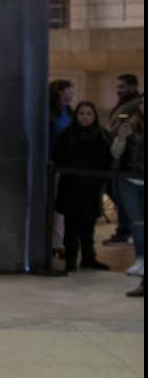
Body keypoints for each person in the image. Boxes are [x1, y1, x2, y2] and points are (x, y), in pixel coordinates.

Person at [53, 101, 113, 272]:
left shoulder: (102, 135)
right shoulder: (66, 135)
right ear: (76, 116)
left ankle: (89, 258)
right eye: (81, 113)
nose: (85, 117)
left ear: (94, 116)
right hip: (71, 187)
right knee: (71, 227)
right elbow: (58, 156)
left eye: (89, 114)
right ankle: (71, 260)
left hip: (92, 188)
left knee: (88, 226)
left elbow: (108, 159)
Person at [105, 74, 143, 246]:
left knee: (122, 196)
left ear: (134, 87)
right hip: (121, 155)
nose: (119, 90)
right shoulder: (125, 105)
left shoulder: (132, 106)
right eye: (117, 87)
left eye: (122, 87)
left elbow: (120, 123)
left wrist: (111, 131)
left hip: (128, 161)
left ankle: (125, 230)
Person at [110, 106, 144, 280]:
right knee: (137, 222)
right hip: (130, 180)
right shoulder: (129, 126)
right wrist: (121, 139)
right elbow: (115, 153)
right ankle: (140, 259)